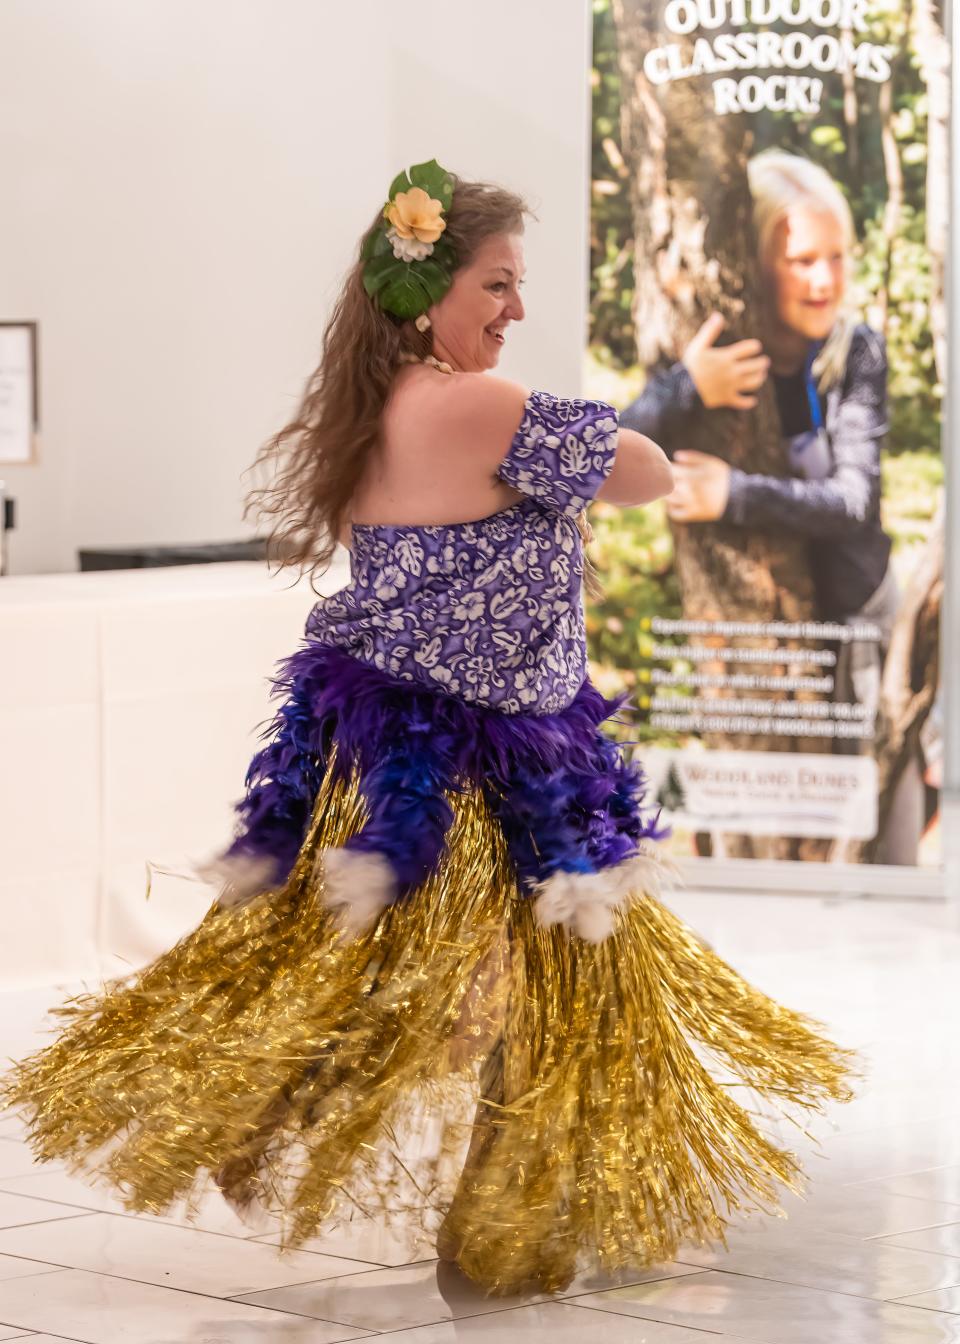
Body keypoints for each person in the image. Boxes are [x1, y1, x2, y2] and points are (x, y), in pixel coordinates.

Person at [2, 161, 853, 1296]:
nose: (514, 309)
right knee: (530, 996)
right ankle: (506, 1229)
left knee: (442, 990)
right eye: (498, 284)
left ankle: (477, 1202)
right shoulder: (479, 407)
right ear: (426, 291)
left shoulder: (377, 409)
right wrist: (603, 423)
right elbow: (643, 471)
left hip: (395, 743)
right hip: (480, 768)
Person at [621, 149, 922, 864]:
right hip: (762, 658)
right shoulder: (720, 340)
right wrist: (685, 387)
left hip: (859, 630)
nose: (825, 280)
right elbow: (612, 443)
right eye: (802, 260)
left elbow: (854, 501)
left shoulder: (856, 355)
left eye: (837, 257)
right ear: (756, 264)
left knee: (880, 834)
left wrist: (734, 494)